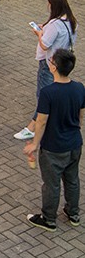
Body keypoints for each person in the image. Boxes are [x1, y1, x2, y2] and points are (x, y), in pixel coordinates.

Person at [24, 49, 83, 232]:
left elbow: (41, 122)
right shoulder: (79, 88)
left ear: (54, 67)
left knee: (51, 184)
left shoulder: (48, 92)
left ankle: (49, 219)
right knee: (72, 179)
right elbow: (80, 116)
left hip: (53, 148)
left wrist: (34, 144)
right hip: (74, 143)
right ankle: (73, 213)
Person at [14, 0, 77, 141]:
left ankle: (33, 127)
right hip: (62, 62)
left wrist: (39, 33)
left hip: (49, 63)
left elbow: (45, 44)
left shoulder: (55, 25)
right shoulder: (71, 21)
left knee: (43, 95)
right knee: (56, 91)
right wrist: (45, 28)